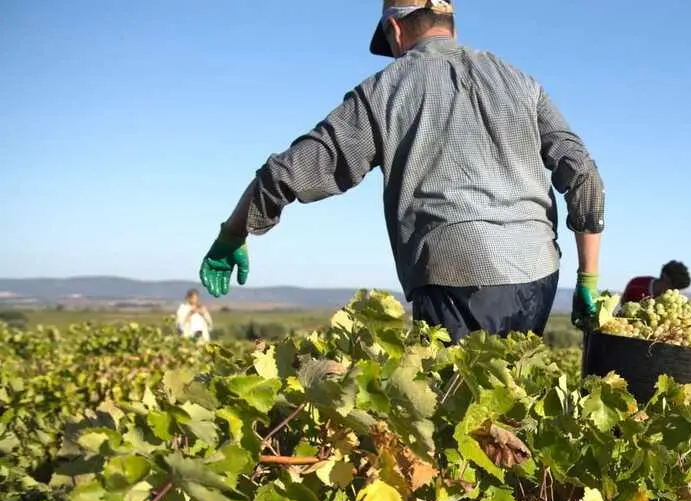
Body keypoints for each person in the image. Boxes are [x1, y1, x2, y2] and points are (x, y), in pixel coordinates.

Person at [198, 0, 606, 340]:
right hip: (539, 271)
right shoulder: (521, 82)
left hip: (457, 274)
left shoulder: (385, 90)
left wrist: (233, 232)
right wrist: (587, 280)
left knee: (458, 423)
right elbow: (582, 173)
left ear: (395, 29)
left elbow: (294, 169)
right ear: (451, 25)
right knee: (512, 408)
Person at [621, 261, 691, 304]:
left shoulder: (672, 301)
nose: (673, 291)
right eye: (673, 287)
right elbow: (623, 304)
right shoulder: (637, 284)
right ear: (664, 277)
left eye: (677, 289)